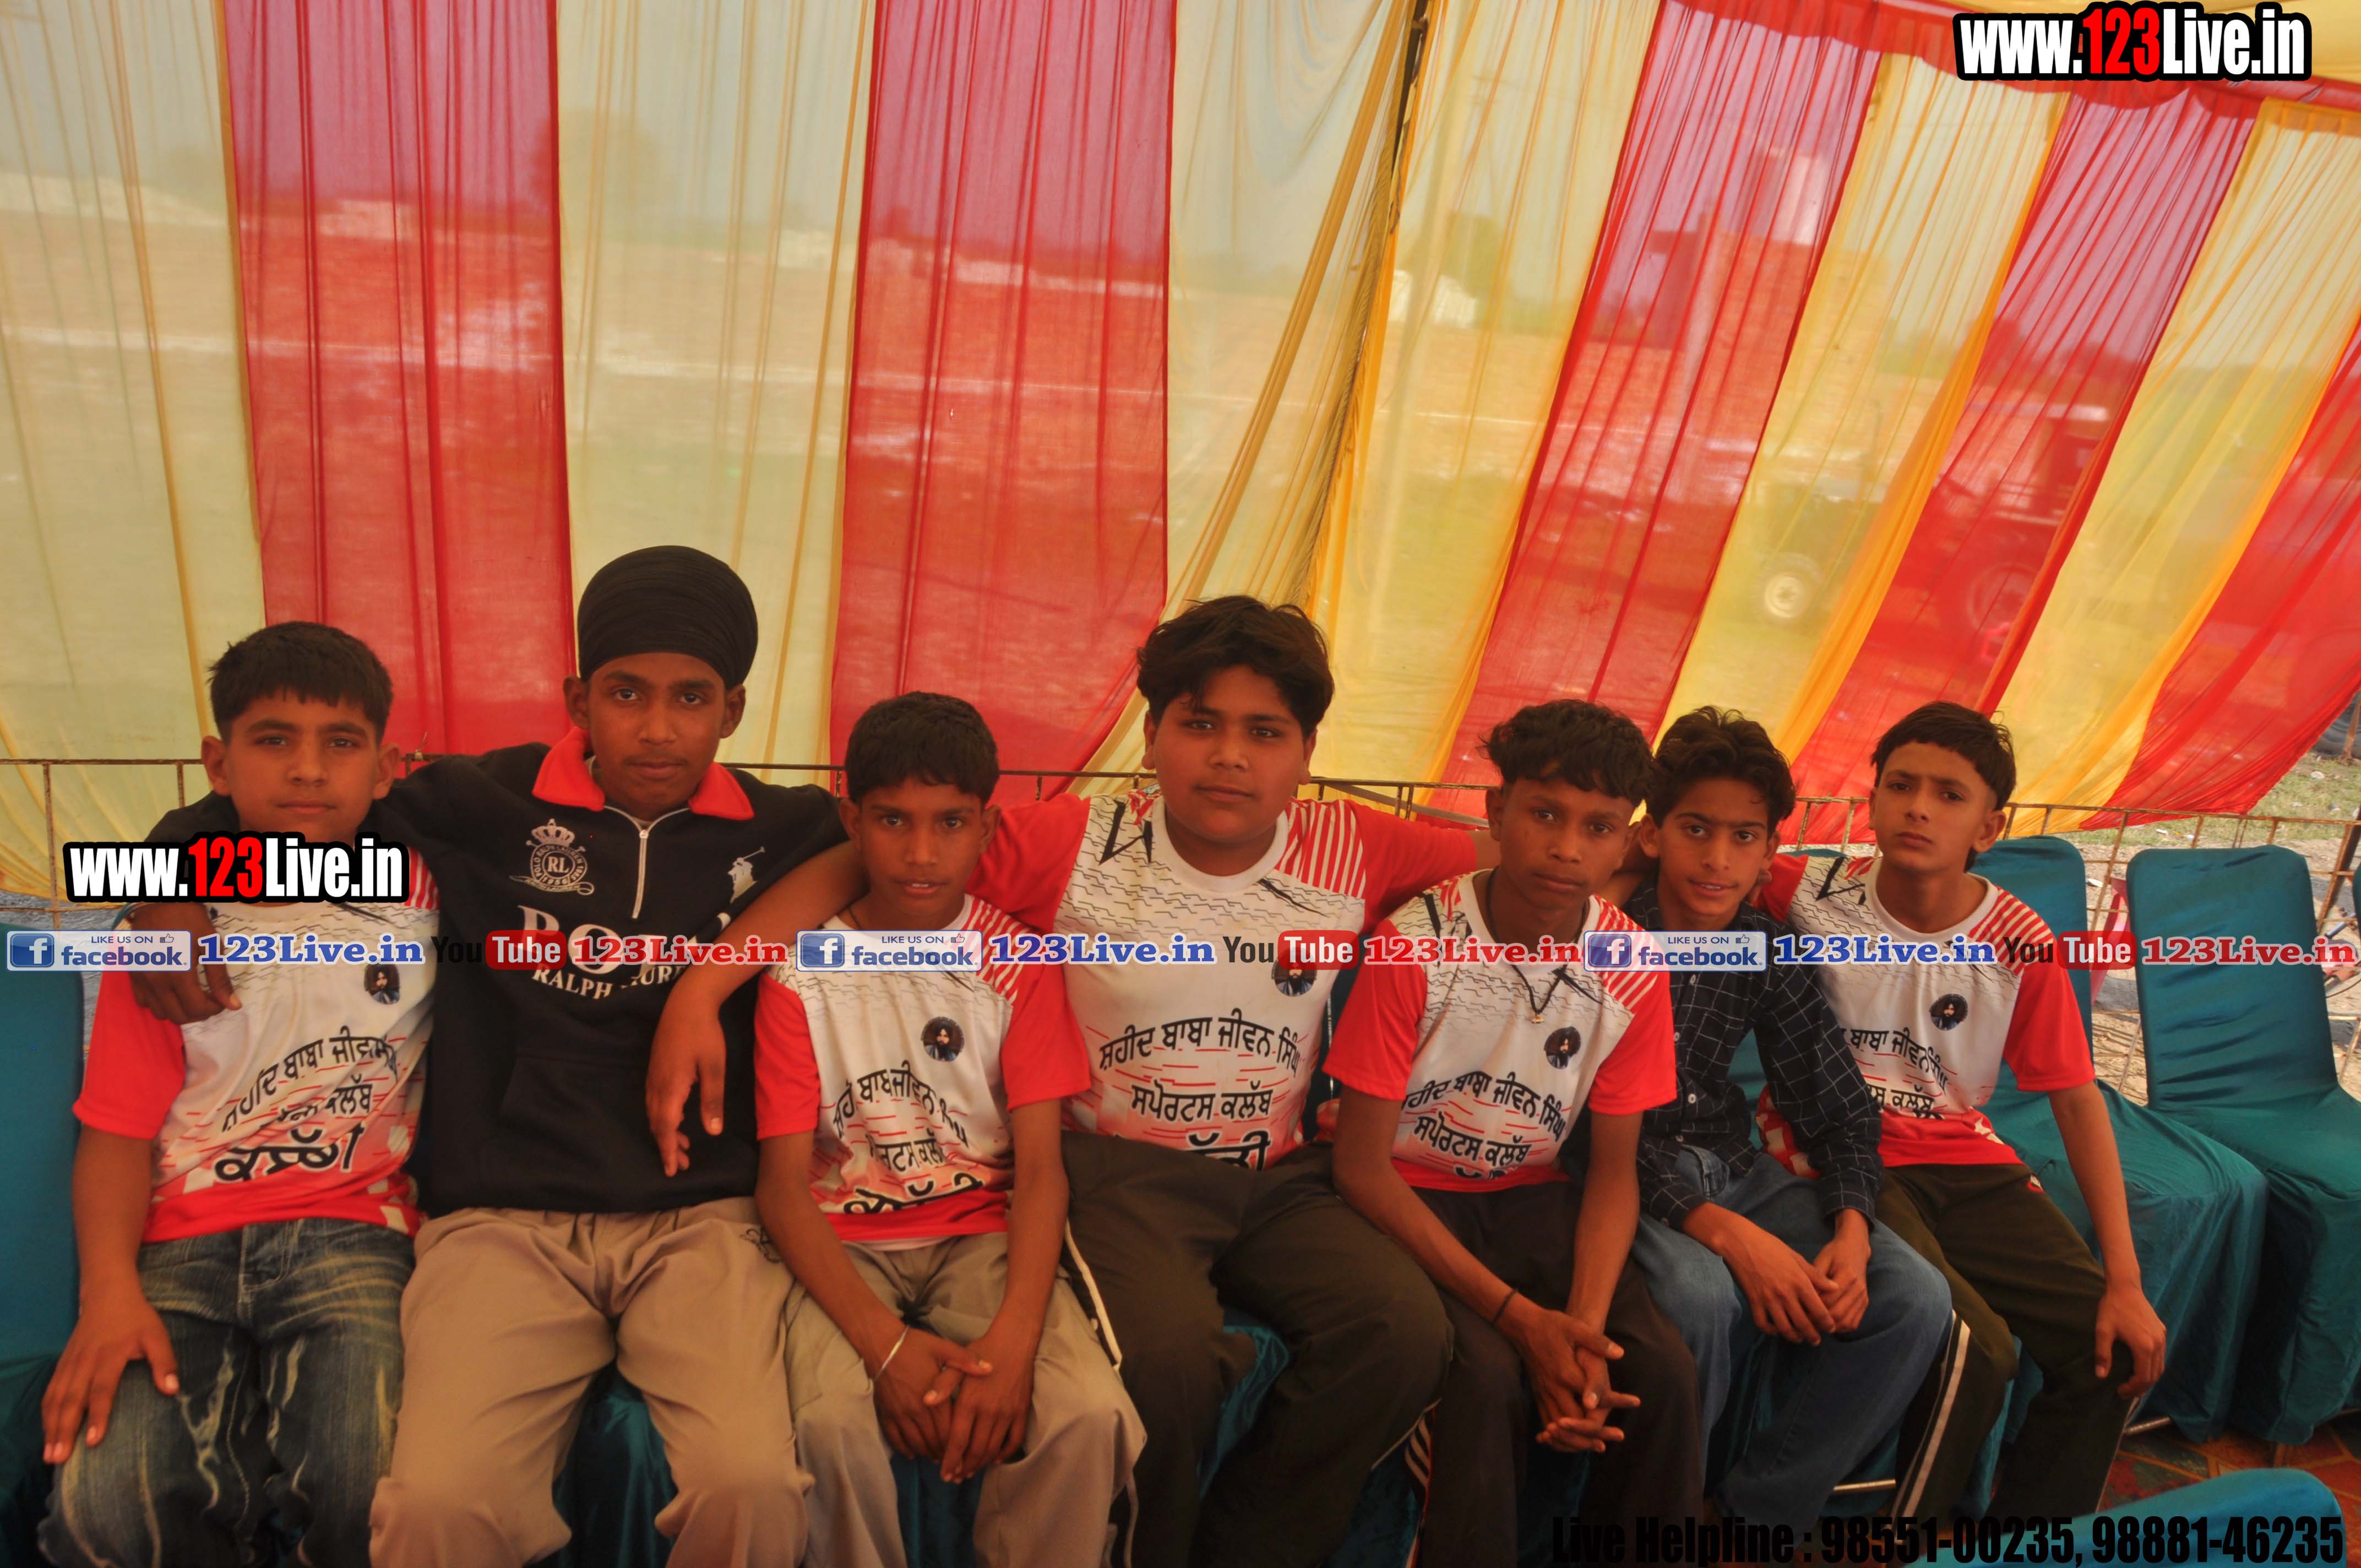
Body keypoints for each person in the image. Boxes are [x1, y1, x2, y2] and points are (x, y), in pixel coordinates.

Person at [650, 596, 1485, 1568]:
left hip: (1281, 1178)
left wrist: (1627, 861)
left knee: (1402, 1331)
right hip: (1120, 1173)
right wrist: (701, 990)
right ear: (1153, 732)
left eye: (1265, 732)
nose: (1229, 757)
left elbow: (1521, 866)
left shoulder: (1360, 845)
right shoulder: (1077, 841)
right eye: (1200, 723)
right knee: (1163, 1364)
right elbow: (870, 866)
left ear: (1307, 751)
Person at [129, 548, 848, 1567]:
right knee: (434, 1506)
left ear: (732, 709)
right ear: (577, 700)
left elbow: (873, 855)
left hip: (702, 1223)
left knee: (754, 1488)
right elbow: (313, 806)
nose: (657, 727)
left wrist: (705, 984)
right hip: (502, 1224)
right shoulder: (476, 805)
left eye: (691, 698)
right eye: (626, 694)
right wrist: (160, 871)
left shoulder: (788, 828)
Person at [40, 624, 436, 1567]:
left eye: (341, 743)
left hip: (356, 1234)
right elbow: (114, 1129)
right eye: (273, 740)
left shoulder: (429, 886)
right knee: (110, 1510)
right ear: (218, 763)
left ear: (387, 767)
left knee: (372, 1486)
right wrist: (107, 1295)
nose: (308, 770)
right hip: (179, 1244)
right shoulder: (165, 930)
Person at [755, 692, 1141, 1568]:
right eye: (893, 820)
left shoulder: (1020, 967)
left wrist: (1013, 1344)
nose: (922, 853)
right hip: (843, 1243)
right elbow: (782, 1190)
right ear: (852, 821)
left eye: (951, 823)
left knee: (1087, 1415)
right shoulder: (798, 980)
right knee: (828, 1428)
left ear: (986, 826)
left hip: (983, 1239)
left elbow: (1040, 1173)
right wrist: (883, 1346)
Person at [1756, 701, 2167, 1517]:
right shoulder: (1806, 889)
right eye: (1901, 785)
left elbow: (2076, 1098)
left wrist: (2125, 1281)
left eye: (1949, 794)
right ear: (1872, 799)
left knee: (2115, 1355)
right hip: (1838, 1152)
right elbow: (1681, 859)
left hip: (1962, 1157)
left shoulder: (2017, 938)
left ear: (1989, 826)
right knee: (1976, 1350)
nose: (1919, 808)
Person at [1325, 699, 1701, 1567]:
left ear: (1628, 839)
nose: (1567, 848)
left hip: (1534, 1200)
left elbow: (1614, 1172)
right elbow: (1360, 1169)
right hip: (1406, 1200)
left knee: (1660, 1371)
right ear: (1496, 812)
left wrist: (1582, 1331)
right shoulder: (1414, 946)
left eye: (1598, 827)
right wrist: (1524, 1322)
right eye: (1544, 814)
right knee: (1487, 1377)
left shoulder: (1632, 963)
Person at [1619, 707, 1951, 1529]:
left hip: (1734, 1168)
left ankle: (1752, 1518)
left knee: (1913, 1297)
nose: (1718, 860)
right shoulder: (1606, 939)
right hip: (1629, 1179)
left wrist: (1852, 1229)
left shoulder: (1766, 948)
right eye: (1696, 830)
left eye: (1744, 837)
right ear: (1653, 834)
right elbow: (1593, 1140)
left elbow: (1838, 1108)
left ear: (1770, 851)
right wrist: (1730, 1237)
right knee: (1702, 1299)